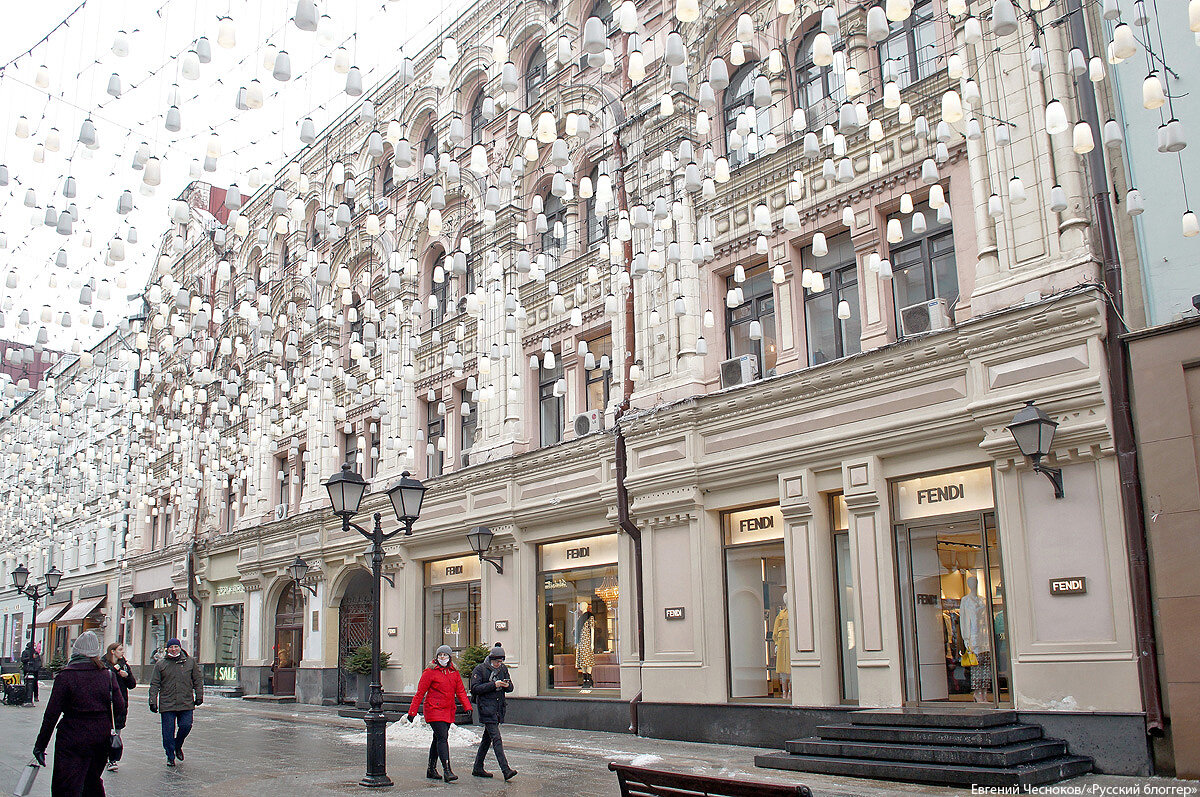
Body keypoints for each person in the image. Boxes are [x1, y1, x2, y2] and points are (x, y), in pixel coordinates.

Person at [32, 630, 127, 796]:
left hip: (71, 737)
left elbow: (51, 715)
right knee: (92, 780)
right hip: (99, 736)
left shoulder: (66, 676)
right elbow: (119, 706)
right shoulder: (107, 675)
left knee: (67, 784)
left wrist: (40, 746)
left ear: (75, 652)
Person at [408, 644, 472, 783]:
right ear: (436, 657)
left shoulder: (454, 672)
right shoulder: (430, 672)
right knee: (443, 737)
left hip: (448, 710)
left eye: (445, 655)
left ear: (449, 657)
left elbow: (460, 691)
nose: (442, 657)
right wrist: (412, 711)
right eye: (440, 655)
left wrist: (468, 707)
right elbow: (420, 693)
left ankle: (431, 769)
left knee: (437, 739)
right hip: (434, 710)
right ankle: (447, 770)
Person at [148, 638, 203, 767]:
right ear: (168, 649)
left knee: (186, 725)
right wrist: (152, 700)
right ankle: (170, 756)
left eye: (176, 647)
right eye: (171, 647)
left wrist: (199, 696)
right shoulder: (161, 664)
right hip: (167, 703)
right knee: (168, 732)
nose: (173, 649)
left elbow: (198, 680)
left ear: (180, 648)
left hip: (186, 701)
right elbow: (155, 683)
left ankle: (178, 745)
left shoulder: (190, 662)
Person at [470, 643, 516, 781]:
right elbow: (475, 688)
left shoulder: (503, 669)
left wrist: (507, 685)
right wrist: (493, 685)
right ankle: (505, 770)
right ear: (490, 659)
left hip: (498, 708)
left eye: (501, 661)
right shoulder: (480, 669)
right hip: (486, 709)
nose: (499, 664)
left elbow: (510, 688)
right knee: (496, 738)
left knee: (487, 739)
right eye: (496, 661)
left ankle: (478, 767)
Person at [103, 643, 136, 772]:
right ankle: (104, 756)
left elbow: (132, 684)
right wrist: (114, 671)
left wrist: (126, 676)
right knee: (105, 732)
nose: (123, 652)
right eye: (120, 650)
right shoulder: (103, 665)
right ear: (112, 651)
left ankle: (113, 759)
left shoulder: (124, 665)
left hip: (120, 703)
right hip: (105, 703)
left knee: (116, 731)